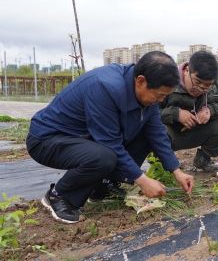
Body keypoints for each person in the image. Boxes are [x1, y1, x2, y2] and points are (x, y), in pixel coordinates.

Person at [27, 51, 194, 224]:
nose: (161, 100)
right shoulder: (104, 87)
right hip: (48, 140)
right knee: (104, 156)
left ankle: (103, 184)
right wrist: (142, 180)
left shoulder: (145, 97)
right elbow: (109, 143)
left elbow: (156, 133)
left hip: (85, 139)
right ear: (141, 81)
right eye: (160, 95)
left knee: (145, 136)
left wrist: (176, 170)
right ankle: (59, 196)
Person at [160, 51, 218, 172]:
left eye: (207, 86)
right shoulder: (166, 80)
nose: (201, 89)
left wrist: (210, 111)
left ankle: (203, 160)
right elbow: (149, 113)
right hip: (171, 133)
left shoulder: (216, 82)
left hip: (198, 131)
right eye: (197, 82)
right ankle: (162, 162)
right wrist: (176, 114)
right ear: (187, 70)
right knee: (155, 130)